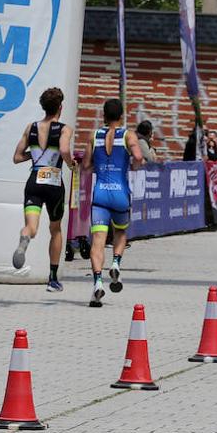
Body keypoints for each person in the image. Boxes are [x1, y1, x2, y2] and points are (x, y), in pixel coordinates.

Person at [81, 98, 145, 306]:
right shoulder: (128, 135)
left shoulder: (95, 136)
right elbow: (138, 156)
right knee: (120, 232)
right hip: (120, 193)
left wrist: (97, 168)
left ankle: (97, 283)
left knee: (97, 241)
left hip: (100, 193)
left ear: (103, 116)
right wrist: (134, 166)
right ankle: (116, 262)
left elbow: (86, 166)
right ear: (121, 116)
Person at [10, 88, 74, 291]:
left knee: (32, 227)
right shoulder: (64, 129)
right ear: (60, 108)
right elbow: (64, 149)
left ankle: (25, 239)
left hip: (34, 182)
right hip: (54, 183)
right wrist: (71, 164)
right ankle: (53, 279)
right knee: (55, 230)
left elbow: (17, 157)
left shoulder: (31, 128)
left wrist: (35, 154)